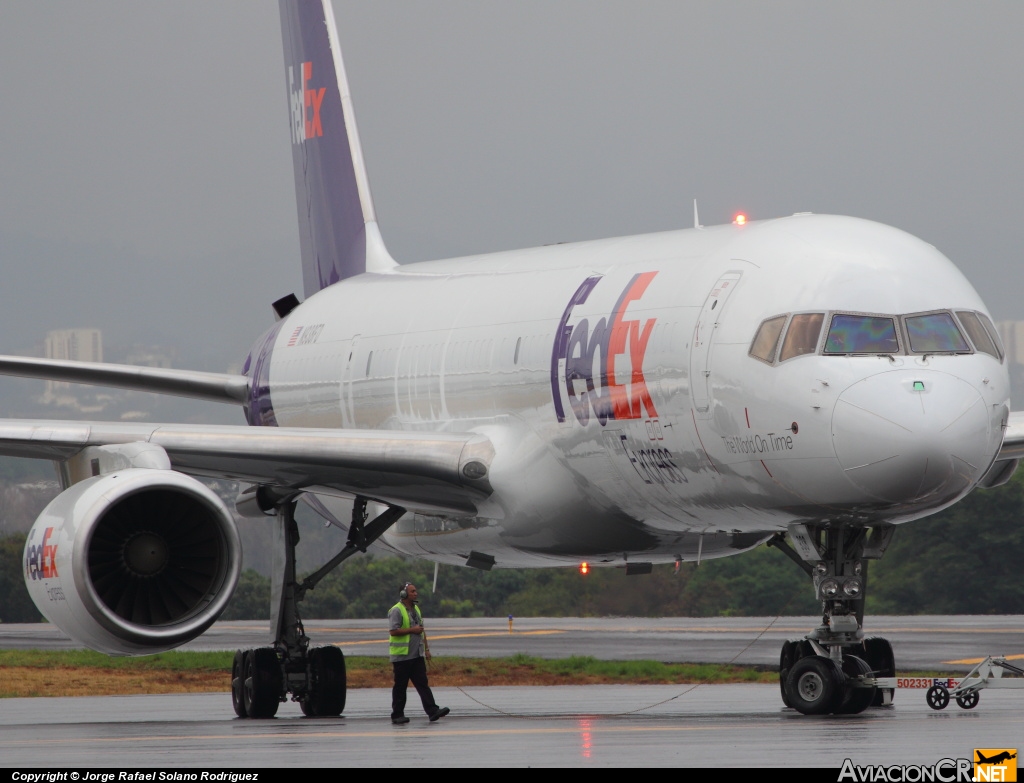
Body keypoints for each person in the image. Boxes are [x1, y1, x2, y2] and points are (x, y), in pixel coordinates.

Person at [388, 582, 450, 725]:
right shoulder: (396, 610)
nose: (416, 593)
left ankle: (432, 711)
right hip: (402, 656)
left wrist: (427, 650)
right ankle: (397, 715)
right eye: (412, 591)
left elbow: (421, 630)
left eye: (416, 591)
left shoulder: (416, 609)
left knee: (423, 683)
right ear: (404, 594)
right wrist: (412, 630)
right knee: (400, 687)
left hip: (416, 654)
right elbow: (393, 631)